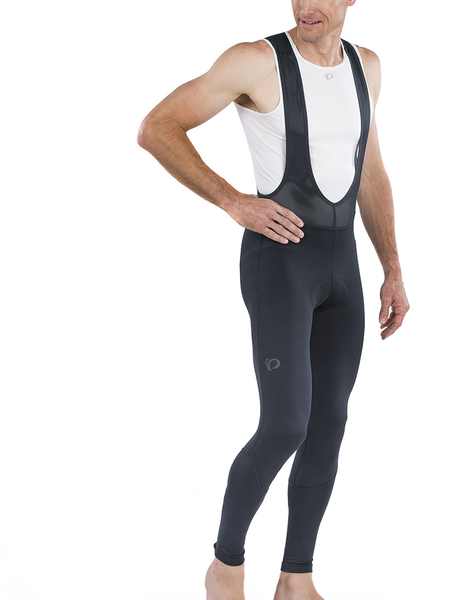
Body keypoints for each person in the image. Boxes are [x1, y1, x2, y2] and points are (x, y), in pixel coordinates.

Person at [137, 1, 409, 598]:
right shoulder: (255, 61)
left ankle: (296, 580)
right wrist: (233, 200)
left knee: (328, 425)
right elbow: (156, 128)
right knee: (286, 424)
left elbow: (369, 170)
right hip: (280, 264)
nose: (307, 6)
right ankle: (225, 567)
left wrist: (391, 266)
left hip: (343, 269)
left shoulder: (367, 67)